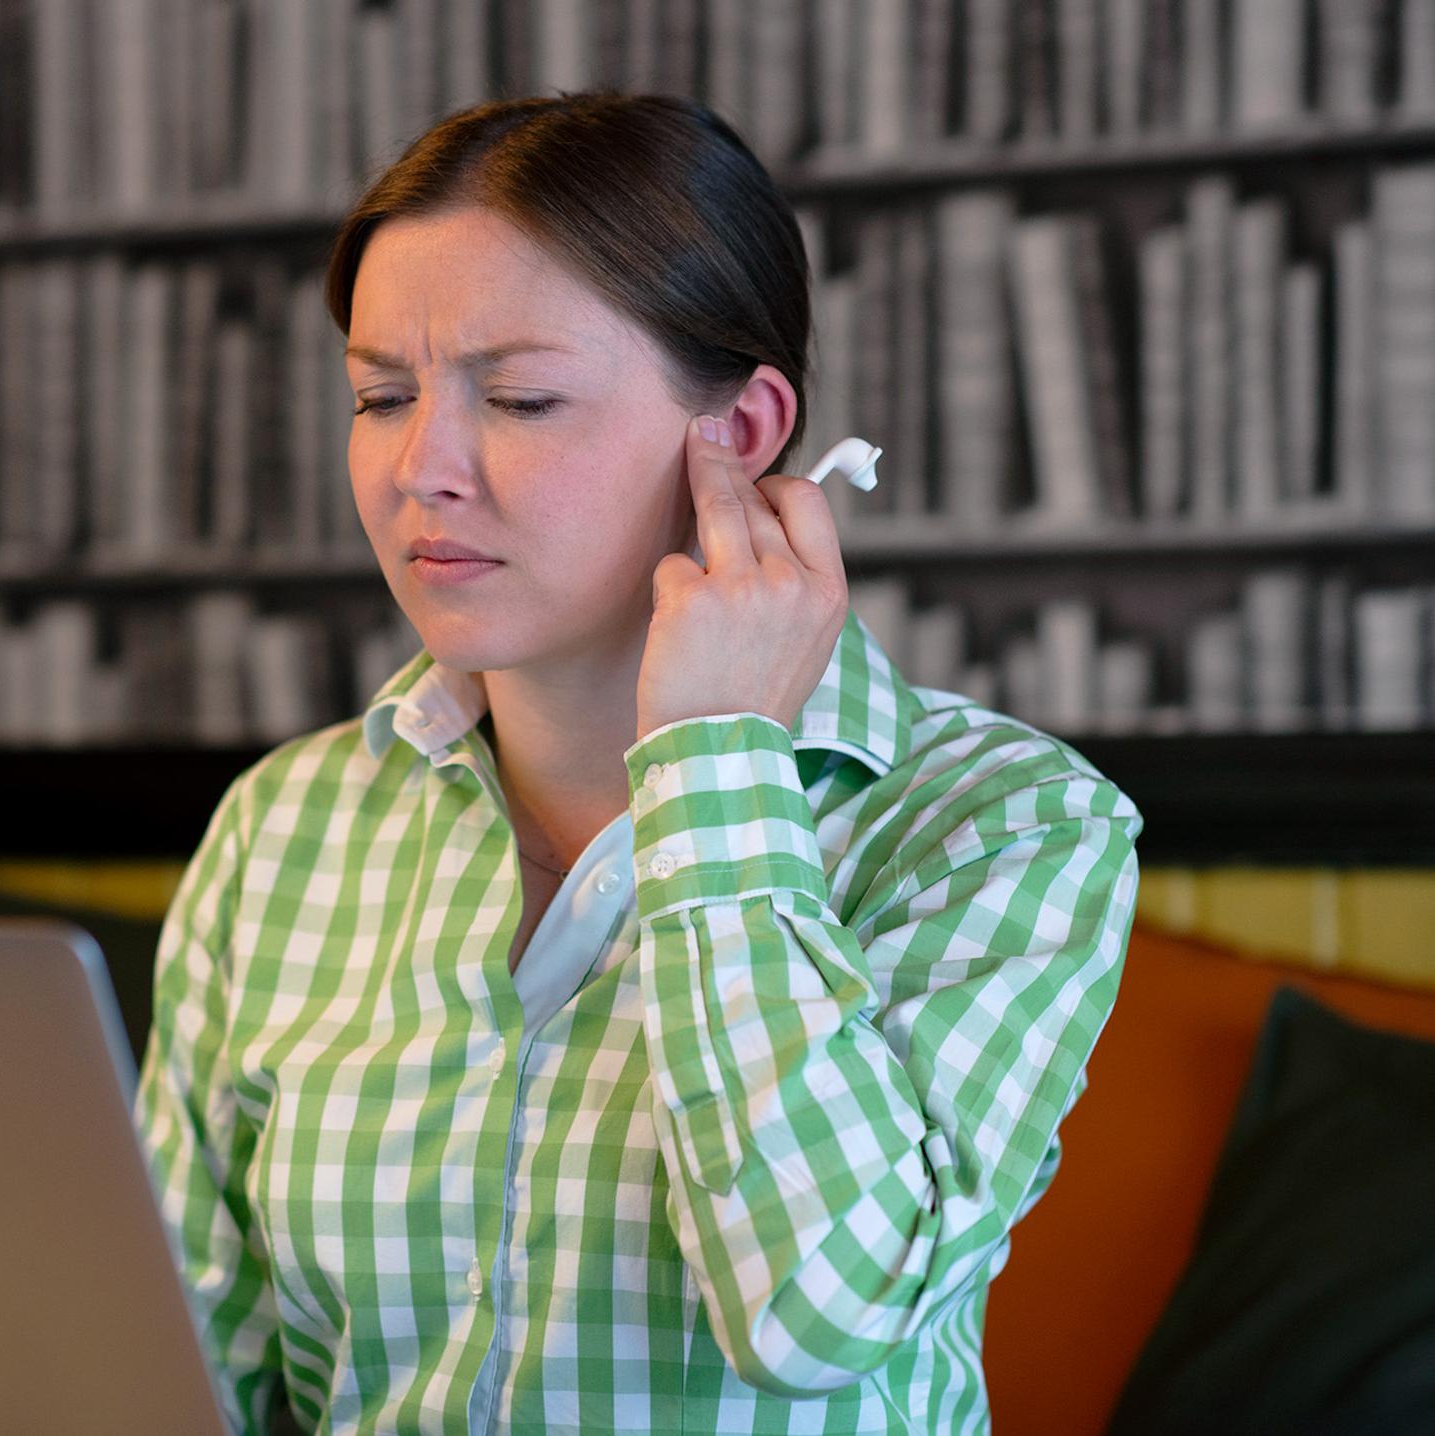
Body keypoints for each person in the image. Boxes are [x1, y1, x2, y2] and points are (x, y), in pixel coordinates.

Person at [130, 89, 1145, 1434]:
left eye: (521, 397)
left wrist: (711, 767)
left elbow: (816, 1316)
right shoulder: (285, 826)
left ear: (738, 432)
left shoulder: (1005, 828)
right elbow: (179, 1366)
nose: (417, 468)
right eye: (380, 395)